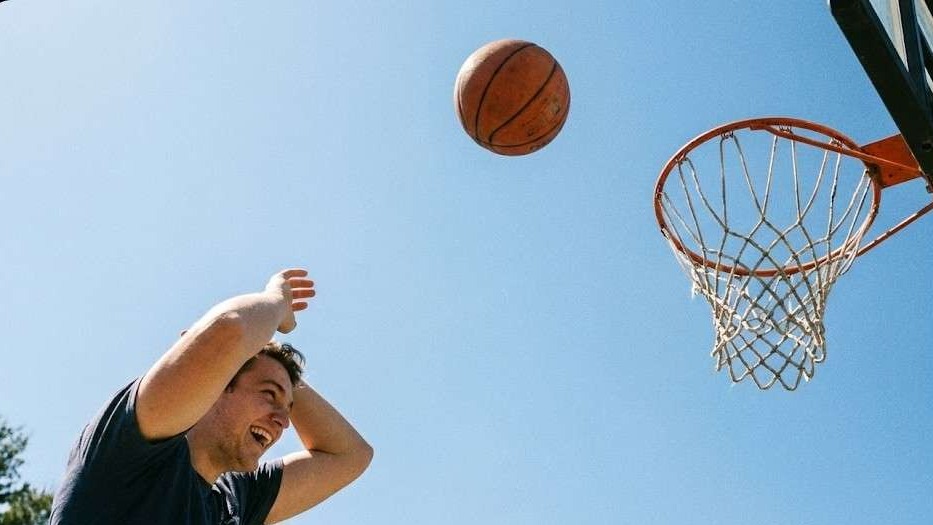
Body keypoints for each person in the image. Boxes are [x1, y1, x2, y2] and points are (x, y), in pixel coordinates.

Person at [50, 268, 373, 524]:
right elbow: (231, 328)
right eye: (268, 395)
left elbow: (350, 456)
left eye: (287, 407)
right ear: (216, 387)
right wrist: (276, 302)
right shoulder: (136, 448)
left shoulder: (238, 497)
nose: (284, 421)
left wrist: (279, 369)